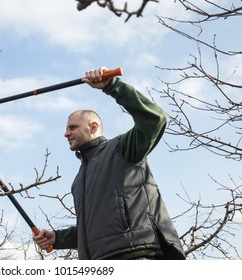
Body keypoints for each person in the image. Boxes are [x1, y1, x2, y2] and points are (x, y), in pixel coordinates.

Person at [33, 67, 186, 260]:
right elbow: (96, 228)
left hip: (137, 255)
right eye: (66, 129)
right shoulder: (79, 179)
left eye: (73, 127)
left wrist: (112, 86)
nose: (66, 133)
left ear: (93, 127)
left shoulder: (121, 149)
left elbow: (155, 119)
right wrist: (57, 238)